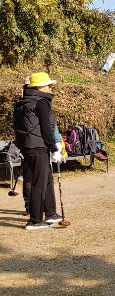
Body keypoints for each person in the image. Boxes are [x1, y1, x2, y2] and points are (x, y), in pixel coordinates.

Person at [13, 72, 63, 230]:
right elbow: (46, 127)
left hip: (27, 147)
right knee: (39, 182)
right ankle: (34, 220)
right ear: (39, 87)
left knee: (46, 178)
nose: (49, 87)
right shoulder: (41, 102)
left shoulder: (21, 103)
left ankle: (50, 213)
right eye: (47, 85)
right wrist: (54, 146)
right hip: (39, 147)